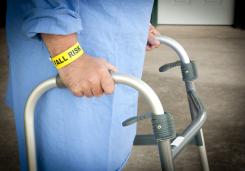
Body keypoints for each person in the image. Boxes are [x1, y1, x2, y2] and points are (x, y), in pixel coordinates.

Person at [6, 0, 160, 170]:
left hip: (109, 35)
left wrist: (135, 21)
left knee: (106, 150)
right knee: (70, 153)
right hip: (72, 45)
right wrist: (67, 54)